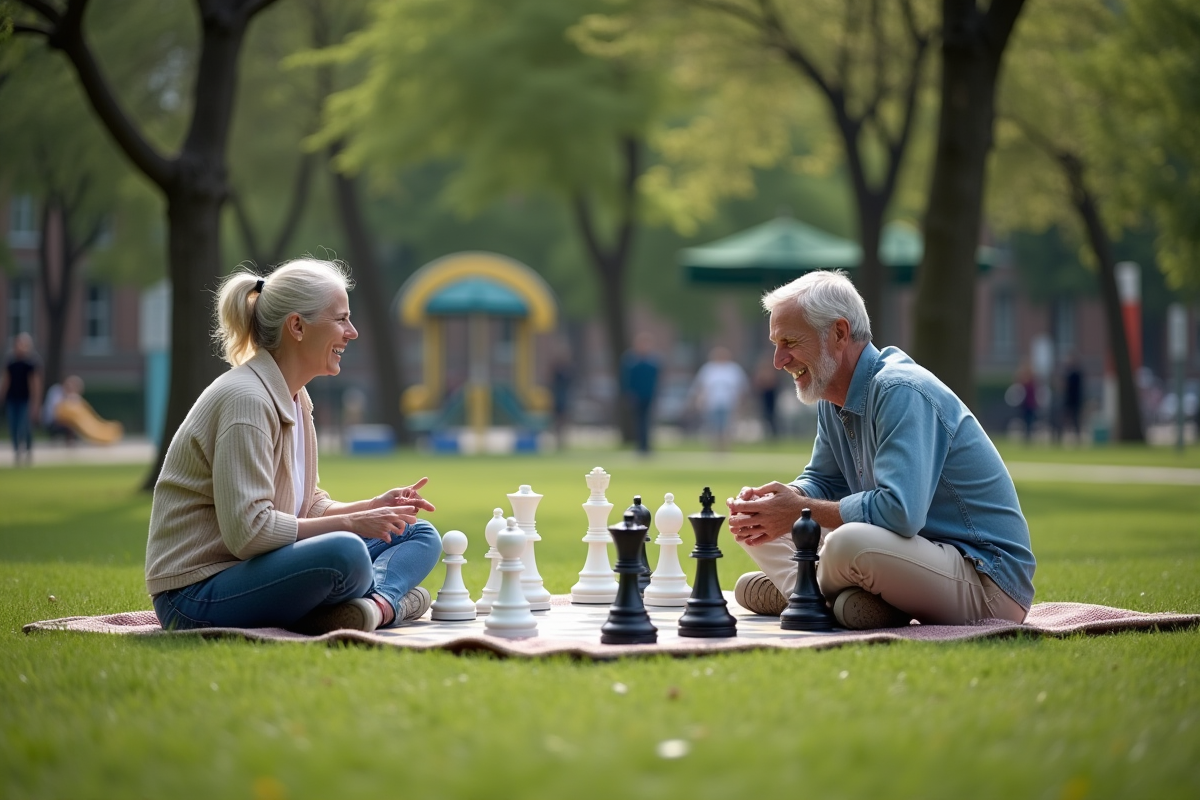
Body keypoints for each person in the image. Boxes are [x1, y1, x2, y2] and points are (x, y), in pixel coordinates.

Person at [145, 258, 442, 634]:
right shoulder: (246, 400)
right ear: (297, 326)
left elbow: (308, 504)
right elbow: (249, 533)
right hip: (195, 595)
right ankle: (387, 601)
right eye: (341, 319)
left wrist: (373, 508)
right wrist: (352, 523)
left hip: (260, 570)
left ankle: (376, 607)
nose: (352, 332)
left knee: (416, 533)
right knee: (345, 553)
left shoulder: (296, 398)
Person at [727, 270, 1035, 629]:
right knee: (758, 526)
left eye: (790, 342)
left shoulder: (900, 390)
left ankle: (806, 590)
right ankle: (833, 594)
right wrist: (780, 502)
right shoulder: (832, 394)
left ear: (839, 333)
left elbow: (899, 512)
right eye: (775, 344)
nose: (779, 360)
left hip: (987, 582)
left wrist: (798, 508)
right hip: (913, 557)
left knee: (847, 544)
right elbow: (823, 480)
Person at [689, 345, 748, 452]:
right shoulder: (708, 369)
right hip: (712, 402)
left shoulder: (733, 369)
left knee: (727, 427)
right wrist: (699, 399)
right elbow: (700, 386)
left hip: (729, 402)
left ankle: (726, 449)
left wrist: (741, 402)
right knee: (713, 426)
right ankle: (714, 449)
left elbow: (741, 387)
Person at [2, 332, 42, 467]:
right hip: (12, 399)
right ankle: (17, 452)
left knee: (24, 426)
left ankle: (28, 449)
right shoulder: (11, 362)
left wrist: (36, 403)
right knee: (13, 426)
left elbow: (35, 385)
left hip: (26, 399)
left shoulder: (31, 363)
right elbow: (6, 380)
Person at [620, 333, 659, 455]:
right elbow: (626, 379)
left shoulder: (653, 361)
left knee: (646, 421)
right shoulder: (631, 361)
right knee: (639, 421)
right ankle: (640, 445)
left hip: (648, 395)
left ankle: (646, 445)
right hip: (636, 396)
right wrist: (627, 393)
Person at [753, 358, 779, 440]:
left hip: (771, 396)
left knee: (771, 415)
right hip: (764, 396)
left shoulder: (772, 374)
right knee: (765, 415)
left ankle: (774, 434)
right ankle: (767, 433)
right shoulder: (761, 374)